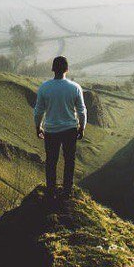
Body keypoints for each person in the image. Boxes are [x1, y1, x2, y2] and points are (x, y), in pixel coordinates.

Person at [33, 55, 87, 197]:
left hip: (51, 130)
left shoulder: (45, 88)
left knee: (51, 161)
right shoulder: (75, 88)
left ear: (52, 69)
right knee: (69, 160)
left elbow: (38, 111)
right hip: (70, 129)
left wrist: (38, 127)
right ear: (67, 69)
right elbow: (82, 111)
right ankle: (67, 191)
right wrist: (82, 127)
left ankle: (51, 191)